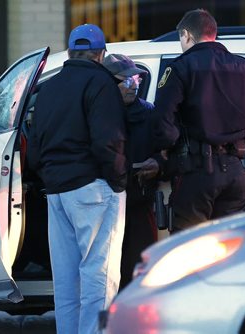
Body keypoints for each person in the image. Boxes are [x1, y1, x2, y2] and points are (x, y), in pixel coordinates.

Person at [27, 24, 127, 334]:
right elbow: (107, 141)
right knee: (100, 275)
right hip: (93, 189)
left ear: (71, 52)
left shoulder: (48, 87)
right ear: (100, 54)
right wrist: (119, 180)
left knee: (66, 281)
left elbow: (34, 147)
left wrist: (52, 177)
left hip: (57, 192)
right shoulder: (101, 83)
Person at [154, 9, 245, 232]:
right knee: (229, 246)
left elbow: (162, 117)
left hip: (196, 171)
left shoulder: (180, 68)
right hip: (236, 172)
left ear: (186, 34)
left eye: (181, 38)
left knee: (189, 247)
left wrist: (168, 146)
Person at [102, 53, 159, 289]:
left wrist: (157, 162)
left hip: (139, 203)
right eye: (125, 80)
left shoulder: (149, 113)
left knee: (140, 273)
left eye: (135, 78)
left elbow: (166, 149)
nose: (133, 85)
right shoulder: (99, 116)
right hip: (104, 203)